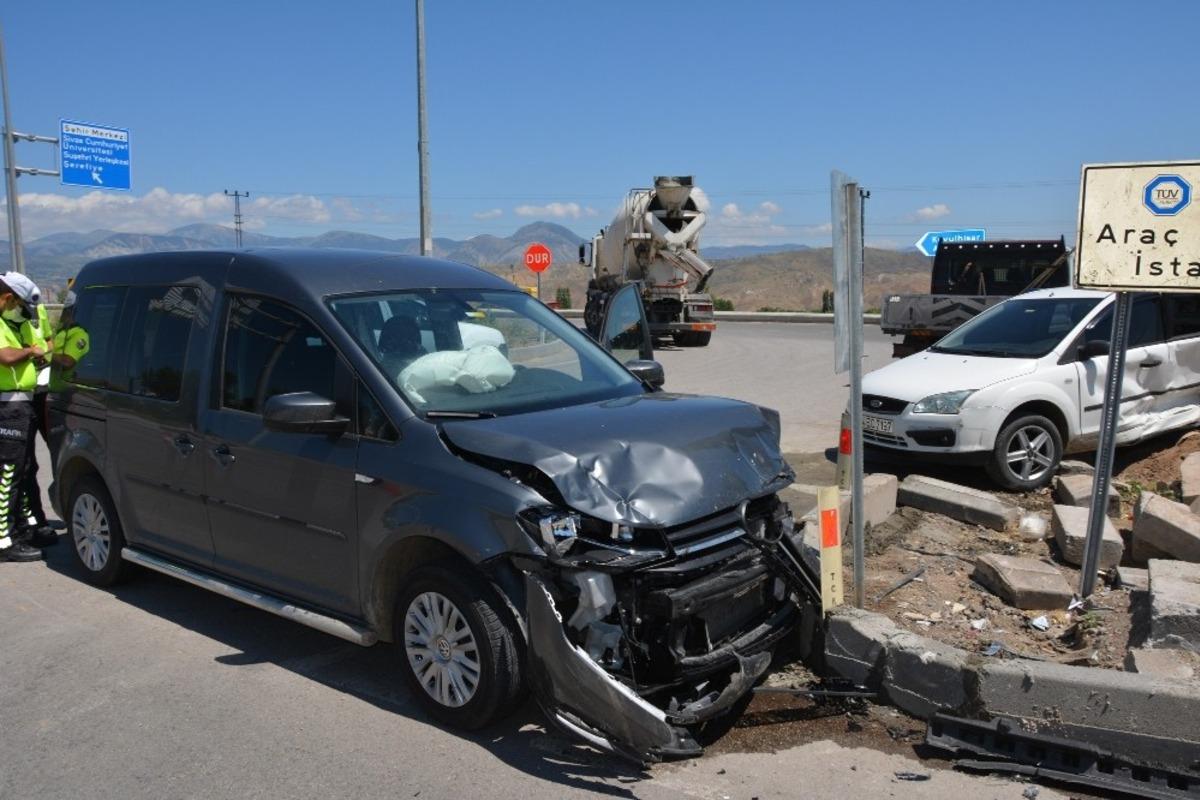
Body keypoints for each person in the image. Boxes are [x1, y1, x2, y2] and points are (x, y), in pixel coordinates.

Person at [0, 273, 45, 563]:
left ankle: (16, 531)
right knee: (8, 474)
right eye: (17, 304)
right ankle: (4, 541)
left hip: (18, 406)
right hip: (9, 407)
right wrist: (30, 351)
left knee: (22, 468)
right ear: (9, 297)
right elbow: (5, 356)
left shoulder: (8, 322)